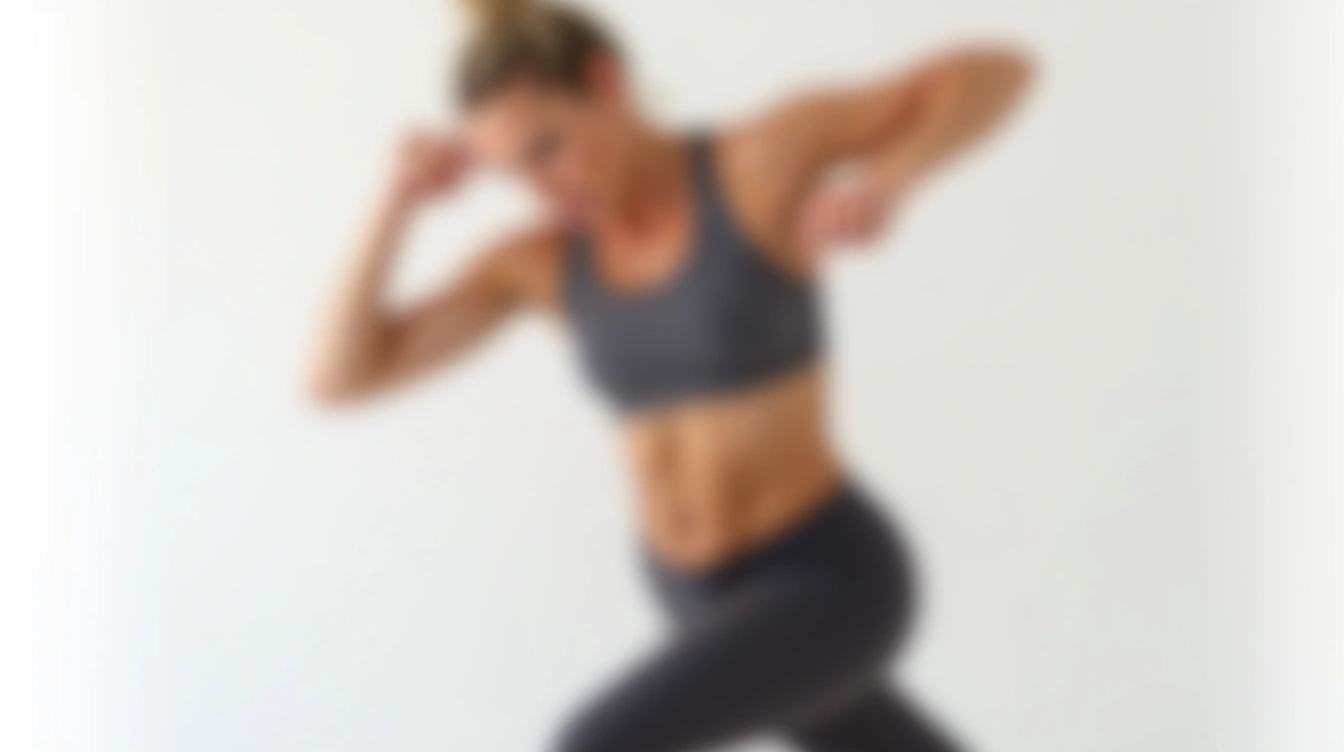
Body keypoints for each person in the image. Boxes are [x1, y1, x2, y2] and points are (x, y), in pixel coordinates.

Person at [309, 1, 1032, 749]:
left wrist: (891, 178)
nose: (542, 189)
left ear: (605, 82)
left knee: (597, 742)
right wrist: (395, 203)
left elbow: (992, 72)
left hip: (825, 580)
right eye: (513, 172)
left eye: (548, 148)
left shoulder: (754, 169)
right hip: (688, 595)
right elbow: (341, 378)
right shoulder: (543, 263)